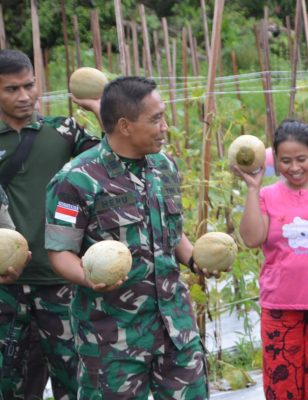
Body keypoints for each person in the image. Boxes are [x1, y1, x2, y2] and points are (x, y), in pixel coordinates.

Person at [45, 76, 211, 398]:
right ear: (124, 125)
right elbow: (59, 252)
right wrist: (88, 277)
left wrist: (194, 259)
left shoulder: (163, 166)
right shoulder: (75, 180)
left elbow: (172, 233)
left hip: (175, 328)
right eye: (156, 119)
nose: (165, 127)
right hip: (111, 338)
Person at [0, 49, 100, 399]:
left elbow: (111, 161)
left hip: (59, 283)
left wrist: (100, 109)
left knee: (75, 382)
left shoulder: (64, 131)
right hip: (5, 291)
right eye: (12, 89)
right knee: (10, 386)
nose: (25, 96)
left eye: (29, 85)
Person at [234, 119, 308, 399]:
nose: (294, 167)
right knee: (282, 388)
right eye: (285, 161)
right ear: (275, 160)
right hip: (280, 307)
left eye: (301, 159)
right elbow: (251, 238)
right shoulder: (266, 196)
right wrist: (251, 188)